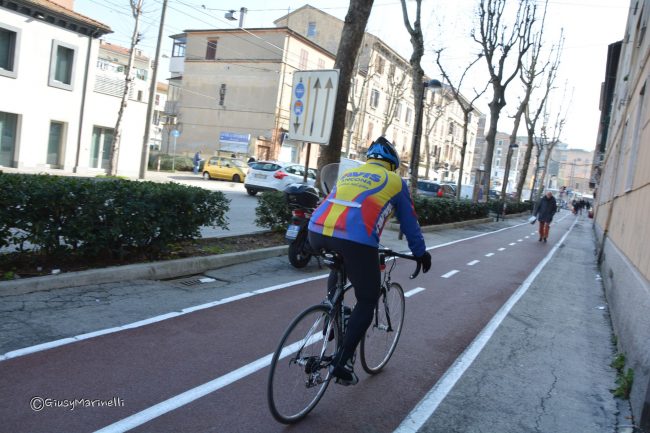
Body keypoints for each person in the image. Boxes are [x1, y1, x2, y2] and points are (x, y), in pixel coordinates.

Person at [308, 136, 432, 386]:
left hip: (316, 231)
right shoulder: (395, 181)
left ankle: (333, 313)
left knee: (340, 265)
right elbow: (409, 222)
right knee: (367, 298)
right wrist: (420, 253)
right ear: (392, 163)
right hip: (356, 239)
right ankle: (341, 362)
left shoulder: (349, 173)